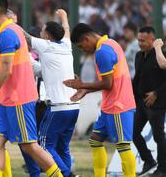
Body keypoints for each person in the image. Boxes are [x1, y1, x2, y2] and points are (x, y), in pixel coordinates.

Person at [0, 0, 62, 177]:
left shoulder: (8, 33)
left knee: (29, 145)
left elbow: (7, 70)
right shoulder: (12, 30)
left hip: (18, 98)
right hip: (7, 99)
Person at [64, 23, 136, 177]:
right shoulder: (111, 43)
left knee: (123, 146)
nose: (83, 50)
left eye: (81, 46)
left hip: (118, 105)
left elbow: (108, 84)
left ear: (87, 38)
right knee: (95, 140)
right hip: (109, 105)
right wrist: (85, 90)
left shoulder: (102, 52)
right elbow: (109, 82)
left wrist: (83, 84)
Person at [24, 9, 79, 177]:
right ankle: (67, 172)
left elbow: (25, 37)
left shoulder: (45, 46)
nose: (40, 33)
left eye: (42, 30)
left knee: (43, 146)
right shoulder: (66, 45)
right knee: (63, 147)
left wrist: (7, 23)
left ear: (47, 36)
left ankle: (66, 175)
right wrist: (64, 17)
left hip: (58, 108)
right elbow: (67, 31)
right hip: (74, 107)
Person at [132, 27, 166, 177]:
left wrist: (156, 93)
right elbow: (137, 78)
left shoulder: (161, 56)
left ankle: (163, 169)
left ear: (152, 40)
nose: (139, 43)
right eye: (138, 40)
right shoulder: (139, 56)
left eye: (143, 40)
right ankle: (149, 161)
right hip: (140, 103)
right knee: (133, 133)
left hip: (157, 104)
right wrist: (132, 98)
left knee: (159, 137)